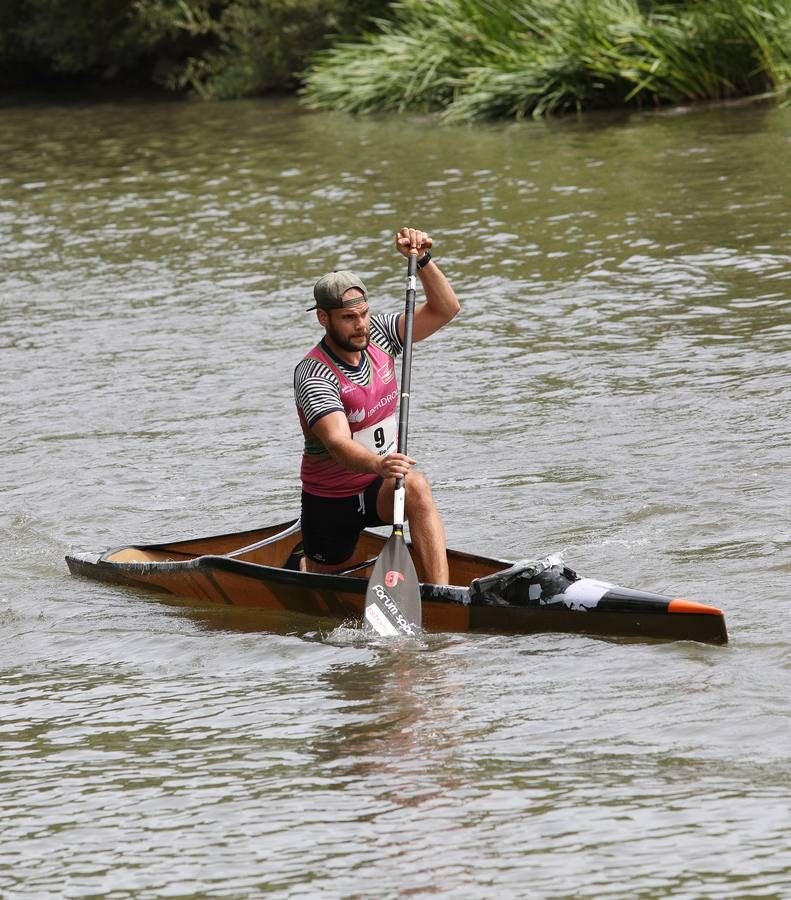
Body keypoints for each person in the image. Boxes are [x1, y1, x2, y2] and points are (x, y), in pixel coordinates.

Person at [294, 226, 460, 584]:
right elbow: (338, 445)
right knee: (327, 578)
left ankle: (442, 595)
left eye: (364, 314)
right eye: (349, 318)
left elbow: (446, 310)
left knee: (416, 485)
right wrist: (381, 463)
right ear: (324, 318)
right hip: (331, 501)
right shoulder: (315, 375)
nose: (361, 326)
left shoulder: (381, 337)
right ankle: (306, 561)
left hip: (378, 488)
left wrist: (423, 261)